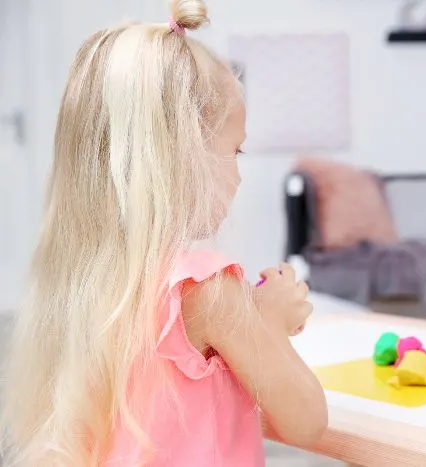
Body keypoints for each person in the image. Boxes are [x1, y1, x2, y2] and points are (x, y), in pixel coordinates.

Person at [1, 1, 328, 465]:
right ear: (180, 157)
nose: (238, 176)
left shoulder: (84, 280)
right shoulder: (207, 288)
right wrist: (271, 324)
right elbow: (306, 421)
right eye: (234, 151)